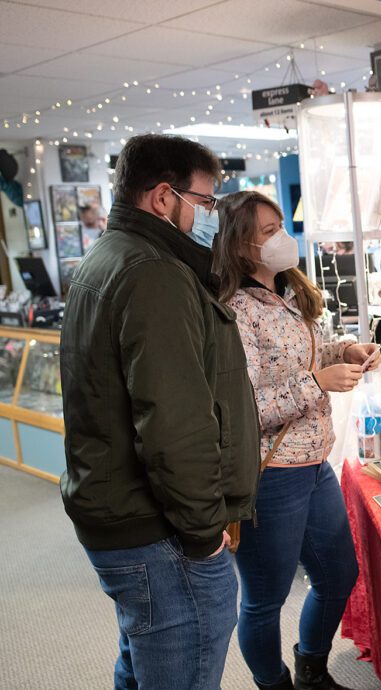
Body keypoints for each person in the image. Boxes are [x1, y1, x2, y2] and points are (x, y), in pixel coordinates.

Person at [60, 134, 260, 689]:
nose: (211, 215)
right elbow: (173, 423)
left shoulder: (110, 258)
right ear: (163, 197)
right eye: (206, 201)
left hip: (123, 515)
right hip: (161, 532)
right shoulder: (152, 273)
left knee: (144, 661)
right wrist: (204, 532)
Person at [213, 190, 379, 690]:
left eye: (280, 226)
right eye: (269, 232)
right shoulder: (234, 310)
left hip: (313, 462)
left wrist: (343, 347)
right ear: (241, 245)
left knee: (338, 576)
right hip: (270, 473)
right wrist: (318, 383)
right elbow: (243, 407)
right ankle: (274, 682)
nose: (282, 239)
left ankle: (311, 668)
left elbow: (301, 354)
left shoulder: (286, 292)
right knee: (264, 597)